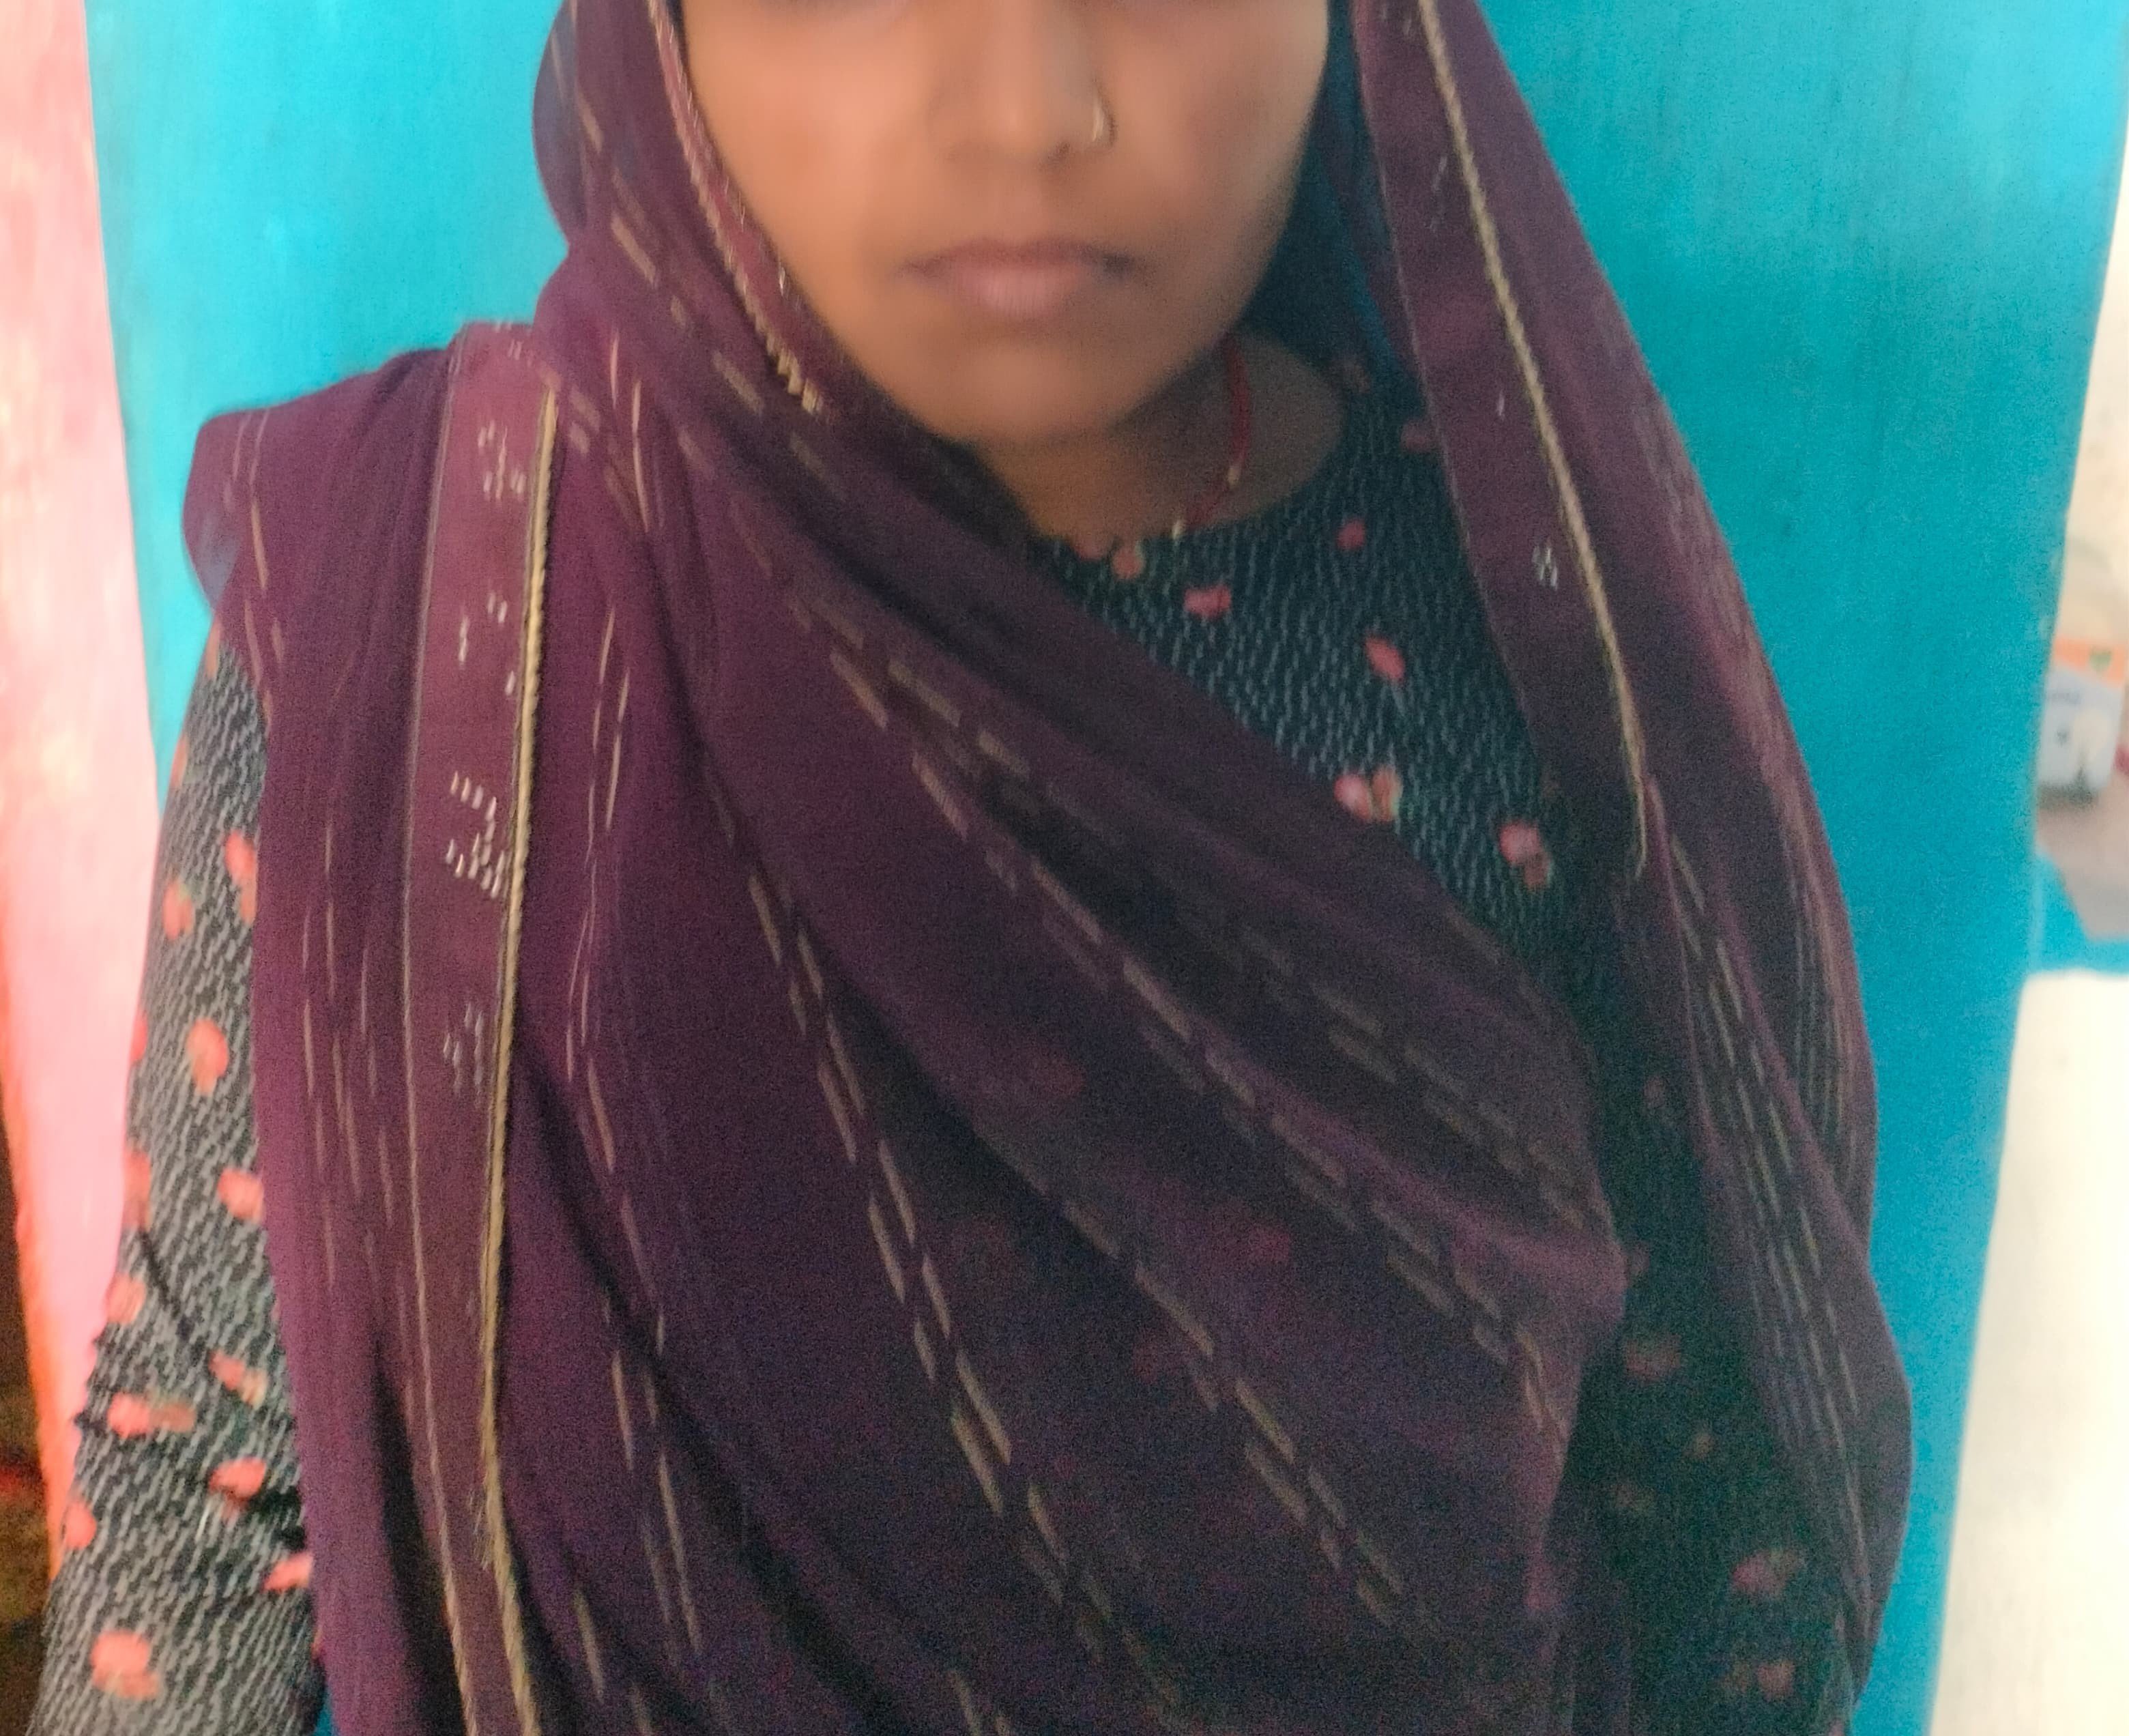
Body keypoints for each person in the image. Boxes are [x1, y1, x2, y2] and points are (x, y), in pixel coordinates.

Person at [31, 0, 1911, 1730]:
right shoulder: (425, 616)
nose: (1028, 109)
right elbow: (208, 1496)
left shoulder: (1531, 641)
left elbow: (1717, 1515)